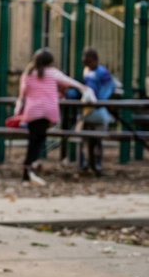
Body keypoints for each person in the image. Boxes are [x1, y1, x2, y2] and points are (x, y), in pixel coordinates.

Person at [13, 48, 91, 185]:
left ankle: (28, 171)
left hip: (32, 112)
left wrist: (17, 110)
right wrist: (84, 88)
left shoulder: (28, 74)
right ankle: (29, 170)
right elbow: (69, 81)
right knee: (38, 141)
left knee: (34, 141)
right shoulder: (53, 73)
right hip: (48, 112)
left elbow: (22, 96)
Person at [78, 48, 118, 175]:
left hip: (98, 108)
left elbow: (108, 88)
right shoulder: (87, 71)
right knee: (85, 138)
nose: (87, 65)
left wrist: (99, 101)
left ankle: (97, 163)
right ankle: (85, 163)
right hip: (87, 109)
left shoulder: (102, 72)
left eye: (89, 62)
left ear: (95, 60)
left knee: (97, 139)